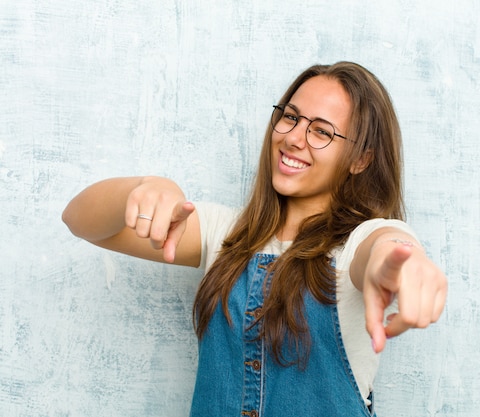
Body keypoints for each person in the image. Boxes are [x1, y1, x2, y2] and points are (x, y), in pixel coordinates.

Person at [63, 61, 448, 417]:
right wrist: (145, 187)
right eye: (291, 118)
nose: (294, 138)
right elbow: (78, 220)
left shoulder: (353, 246)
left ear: (360, 160)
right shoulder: (226, 236)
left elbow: (385, 244)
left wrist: (406, 261)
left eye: (321, 131)